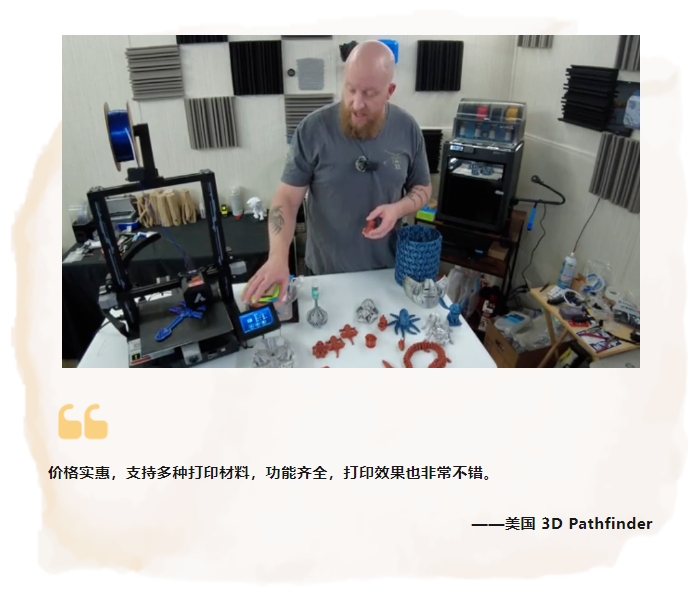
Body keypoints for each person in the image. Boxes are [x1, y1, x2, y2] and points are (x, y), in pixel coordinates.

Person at [242, 39, 432, 304]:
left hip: (387, 273)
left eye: (370, 94)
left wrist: (397, 209)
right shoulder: (312, 129)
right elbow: (287, 198)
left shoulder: (407, 129)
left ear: (389, 91)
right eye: (351, 89)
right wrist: (277, 257)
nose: (356, 103)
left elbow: (422, 188)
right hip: (324, 275)